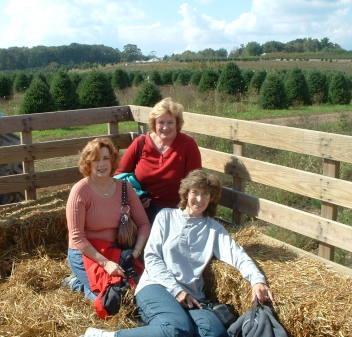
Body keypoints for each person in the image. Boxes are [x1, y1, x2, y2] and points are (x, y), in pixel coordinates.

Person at [83, 169, 273, 337]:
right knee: (176, 329)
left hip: (192, 295)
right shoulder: (166, 216)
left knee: (214, 332)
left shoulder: (214, 229)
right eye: (195, 193)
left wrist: (257, 280)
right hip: (156, 286)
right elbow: (152, 257)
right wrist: (177, 291)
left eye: (205, 194)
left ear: (211, 198)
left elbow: (237, 255)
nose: (199, 199)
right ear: (186, 193)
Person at [64, 137, 150, 300]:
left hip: (116, 249)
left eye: (105, 158)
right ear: (88, 163)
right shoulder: (80, 191)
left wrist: (135, 252)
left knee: (134, 290)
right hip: (86, 253)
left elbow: (144, 224)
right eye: (95, 159)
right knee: (108, 298)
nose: (101, 164)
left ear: (113, 161)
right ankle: (77, 283)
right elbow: (77, 237)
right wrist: (106, 264)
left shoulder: (125, 187)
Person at [115, 97, 201, 223]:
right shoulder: (141, 143)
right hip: (140, 209)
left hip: (175, 210)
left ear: (177, 124)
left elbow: (196, 181)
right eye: (161, 122)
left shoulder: (187, 144)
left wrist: (186, 209)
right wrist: (136, 197)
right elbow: (118, 175)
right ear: (154, 124)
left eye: (170, 122)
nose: (165, 127)